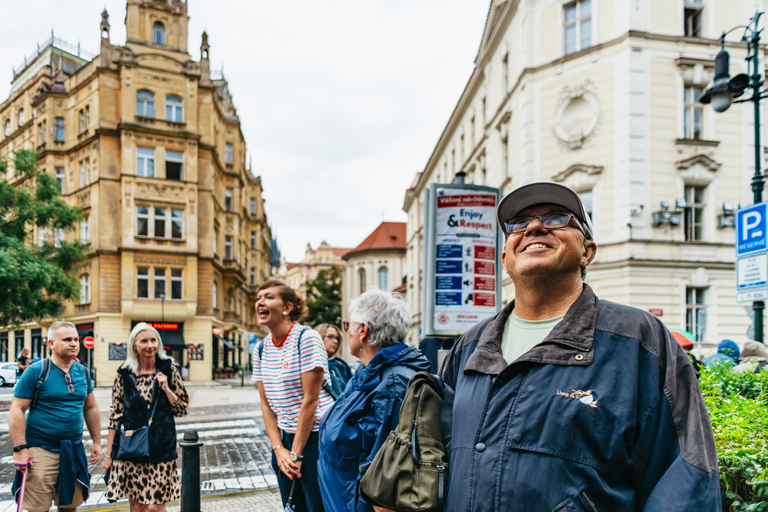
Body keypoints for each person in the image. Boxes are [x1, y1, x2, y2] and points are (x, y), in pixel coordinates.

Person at [440, 182, 721, 511]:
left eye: (557, 218)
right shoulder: (471, 346)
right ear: (505, 257)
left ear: (588, 251)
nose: (533, 227)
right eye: (518, 224)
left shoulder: (639, 340)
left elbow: (683, 479)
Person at [318, 289, 430, 512]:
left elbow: (385, 483)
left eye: (347, 324)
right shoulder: (367, 372)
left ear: (362, 331)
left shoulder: (393, 386)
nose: (346, 331)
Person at [252, 280, 334, 512]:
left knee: (316, 507)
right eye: (259, 297)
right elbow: (265, 403)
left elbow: (311, 400)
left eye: (268, 297)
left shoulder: (305, 338)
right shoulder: (261, 348)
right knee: (293, 507)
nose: (260, 302)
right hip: (286, 439)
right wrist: (279, 449)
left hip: (316, 438)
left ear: (287, 307)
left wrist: (296, 453)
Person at [9, 321, 102, 512]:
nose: (74, 343)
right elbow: (17, 409)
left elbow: (90, 407)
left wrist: (97, 441)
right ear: (51, 343)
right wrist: (19, 448)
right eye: (67, 339)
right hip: (41, 449)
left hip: (73, 448)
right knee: (37, 508)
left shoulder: (83, 372)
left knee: (69, 506)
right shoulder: (36, 371)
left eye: (76, 339)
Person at [103, 322, 189, 511]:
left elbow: (181, 408)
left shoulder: (168, 369)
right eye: (144, 341)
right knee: (138, 507)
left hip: (161, 449)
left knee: (154, 508)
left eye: (153, 340)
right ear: (134, 345)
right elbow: (115, 415)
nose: (150, 345)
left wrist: (166, 388)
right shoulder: (124, 375)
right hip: (132, 448)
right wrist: (109, 454)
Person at [315, 323, 352, 397]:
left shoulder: (340, 366)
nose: (335, 341)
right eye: (330, 336)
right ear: (319, 337)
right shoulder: (307, 364)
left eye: (337, 338)